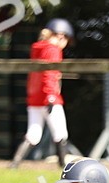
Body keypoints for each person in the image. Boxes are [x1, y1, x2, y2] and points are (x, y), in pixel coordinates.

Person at [10, 18, 74, 168]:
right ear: (60, 36)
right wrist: (51, 96)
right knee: (60, 133)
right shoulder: (53, 50)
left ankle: (14, 164)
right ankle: (63, 168)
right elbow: (49, 74)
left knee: (33, 135)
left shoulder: (37, 49)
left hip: (34, 98)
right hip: (49, 97)